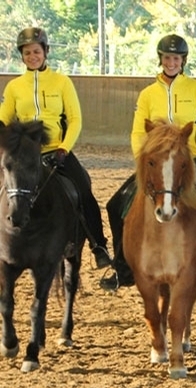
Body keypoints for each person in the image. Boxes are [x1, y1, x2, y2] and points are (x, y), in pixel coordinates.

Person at [98, 34, 196, 305]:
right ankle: (122, 267)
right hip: (155, 164)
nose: (172, 63)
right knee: (115, 206)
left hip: (189, 162)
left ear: (183, 61)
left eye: (176, 58)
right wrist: (143, 160)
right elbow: (137, 131)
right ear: (161, 60)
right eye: (167, 58)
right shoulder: (147, 94)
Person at [0, 27, 112, 270]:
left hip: (56, 152)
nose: (32, 56)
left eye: (37, 51)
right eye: (28, 52)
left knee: (83, 189)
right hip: (24, 156)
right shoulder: (14, 87)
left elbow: (75, 120)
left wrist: (64, 148)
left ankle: (98, 245)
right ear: (22, 55)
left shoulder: (62, 82)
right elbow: (5, 119)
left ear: (46, 52)